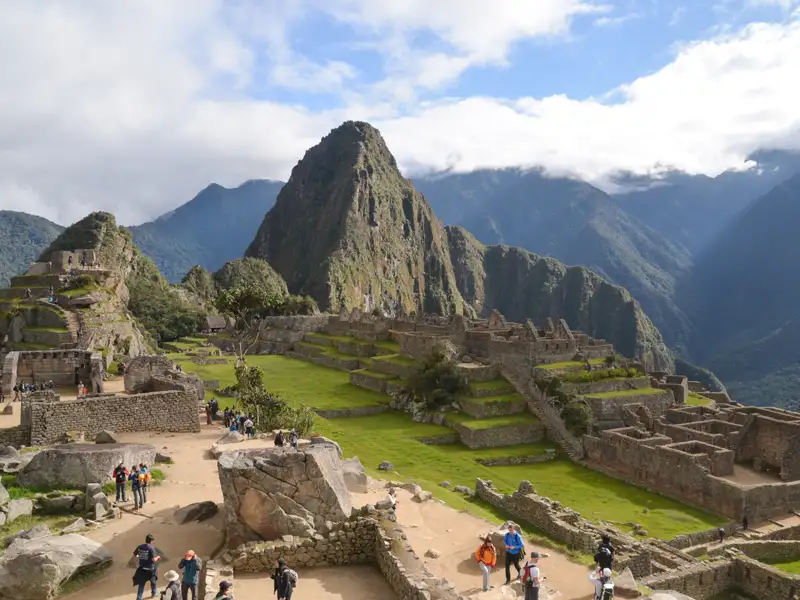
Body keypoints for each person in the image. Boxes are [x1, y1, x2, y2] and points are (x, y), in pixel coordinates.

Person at [132, 534, 160, 600]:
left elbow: (134, 554)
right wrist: (158, 557)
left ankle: (139, 598)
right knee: (153, 581)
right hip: (151, 569)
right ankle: (154, 593)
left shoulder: (140, 546)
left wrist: (139, 557)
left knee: (141, 584)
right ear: (151, 541)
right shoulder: (151, 548)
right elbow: (153, 560)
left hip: (142, 568)